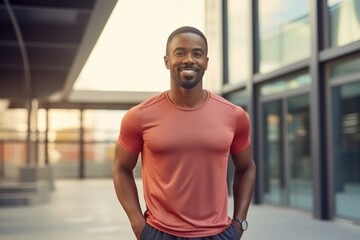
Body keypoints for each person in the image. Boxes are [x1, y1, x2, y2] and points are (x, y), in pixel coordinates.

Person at [113, 26, 256, 240]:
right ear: (167, 61)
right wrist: (138, 225)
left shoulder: (234, 116)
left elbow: (246, 168)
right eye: (180, 52)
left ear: (206, 62)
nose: (189, 59)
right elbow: (121, 169)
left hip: (219, 234)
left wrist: (239, 224)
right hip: (159, 233)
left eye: (197, 53)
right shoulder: (139, 116)